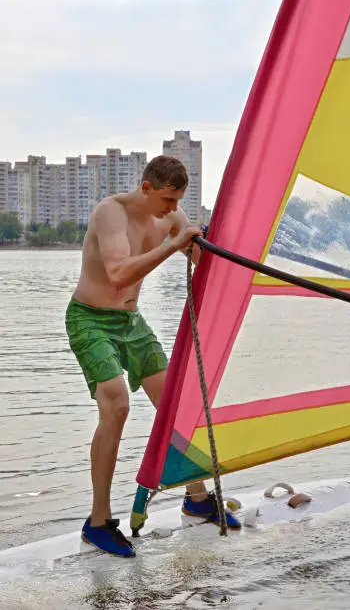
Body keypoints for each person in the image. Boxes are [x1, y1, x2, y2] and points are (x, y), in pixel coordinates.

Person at [65, 155, 240, 558]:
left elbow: (202, 263)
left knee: (174, 404)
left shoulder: (172, 219)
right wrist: (173, 244)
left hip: (131, 323)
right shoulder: (111, 213)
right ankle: (97, 522)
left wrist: (210, 246)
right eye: (166, 199)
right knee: (116, 404)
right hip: (90, 320)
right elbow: (118, 274)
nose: (173, 209)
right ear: (145, 188)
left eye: (178, 200)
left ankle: (196, 499)